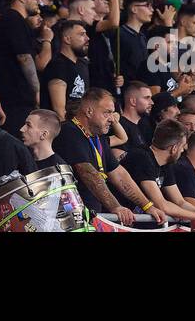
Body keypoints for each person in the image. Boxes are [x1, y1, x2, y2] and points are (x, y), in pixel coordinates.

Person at [53, 88, 156, 225]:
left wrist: (148, 206)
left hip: (90, 218)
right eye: (107, 113)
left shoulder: (98, 138)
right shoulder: (69, 132)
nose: (111, 119)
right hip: (68, 220)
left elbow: (119, 174)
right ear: (89, 112)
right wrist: (115, 206)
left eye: (112, 113)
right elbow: (89, 174)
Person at [122, 118, 195, 229]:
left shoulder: (166, 164)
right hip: (116, 222)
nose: (183, 151)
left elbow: (180, 201)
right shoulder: (142, 157)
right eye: (182, 147)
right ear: (174, 148)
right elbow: (162, 205)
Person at [0, 0, 50, 134]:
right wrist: (36, 92)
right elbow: (24, 58)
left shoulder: (14, 20)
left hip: (13, 97)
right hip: (14, 99)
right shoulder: (13, 19)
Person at [41, 19, 91, 121]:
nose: (87, 38)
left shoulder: (82, 64)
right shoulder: (58, 66)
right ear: (67, 39)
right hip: (63, 129)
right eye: (82, 35)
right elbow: (59, 110)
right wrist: (69, 134)